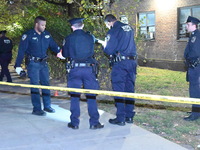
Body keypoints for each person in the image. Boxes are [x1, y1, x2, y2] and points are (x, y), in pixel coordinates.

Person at [15, 16, 65, 116]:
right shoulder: (28, 35)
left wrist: (62, 53)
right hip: (33, 64)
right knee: (35, 86)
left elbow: (54, 47)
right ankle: (37, 108)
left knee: (46, 84)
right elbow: (21, 51)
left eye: (45, 25)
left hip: (44, 63)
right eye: (42, 25)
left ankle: (47, 106)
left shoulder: (47, 35)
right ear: (36, 24)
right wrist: (17, 66)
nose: (44, 27)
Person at [62, 18, 104, 130]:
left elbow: (65, 54)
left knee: (75, 96)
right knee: (91, 96)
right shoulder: (90, 37)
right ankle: (94, 122)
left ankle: (74, 123)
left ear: (72, 27)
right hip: (89, 69)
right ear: (83, 25)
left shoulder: (68, 38)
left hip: (74, 69)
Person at [98, 14, 137, 126]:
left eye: (107, 25)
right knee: (130, 88)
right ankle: (129, 116)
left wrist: (104, 46)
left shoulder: (113, 30)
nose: (107, 27)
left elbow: (109, 50)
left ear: (109, 22)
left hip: (121, 64)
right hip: (132, 62)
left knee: (119, 89)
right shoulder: (128, 27)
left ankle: (120, 118)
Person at [184, 16, 200, 121]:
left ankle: (195, 114)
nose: (186, 26)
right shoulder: (193, 36)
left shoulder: (197, 36)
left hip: (196, 67)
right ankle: (196, 109)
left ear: (194, 25)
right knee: (194, 89)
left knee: (195, 90)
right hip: (193, 67)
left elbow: (195, 53)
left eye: (188, 24)